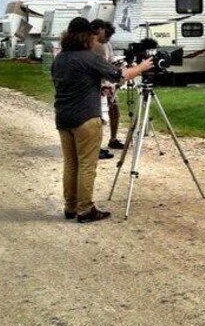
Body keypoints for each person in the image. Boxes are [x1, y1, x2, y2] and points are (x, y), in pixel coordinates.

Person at [52, 17, 153, 223]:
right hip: (86, 117)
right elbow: (120, 76)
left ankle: (70, 206)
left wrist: (97, 86)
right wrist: (141, 68)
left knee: (71, 164)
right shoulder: (89, 58)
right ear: (87, 36)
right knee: (87, 164)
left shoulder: (60, 59)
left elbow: (76, 83)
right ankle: (85, 209)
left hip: (63, 117)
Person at [90, 19, 123, 159]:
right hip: (101, 85)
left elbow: (108, 63)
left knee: (115, 110)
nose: (107, 38)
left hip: (109, 82)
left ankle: (113, 139)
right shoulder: (94, 46)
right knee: (99, 115)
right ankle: (96, 146)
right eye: (106, 34)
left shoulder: (106, 45)